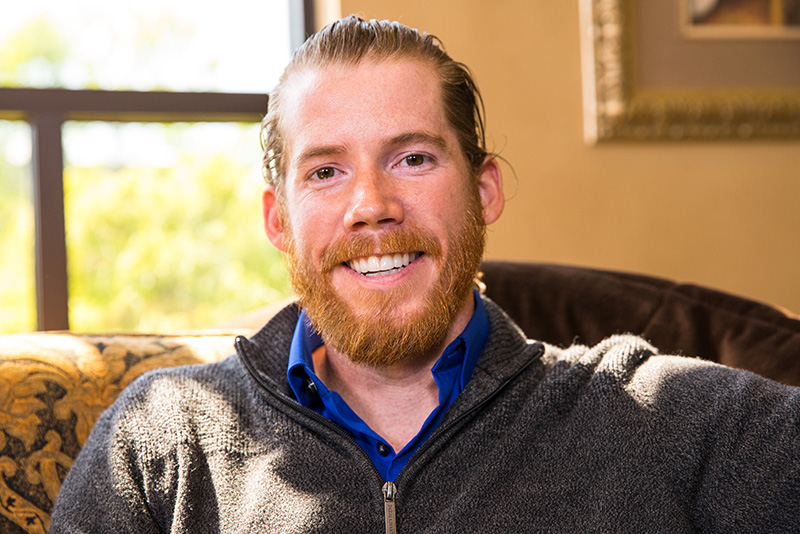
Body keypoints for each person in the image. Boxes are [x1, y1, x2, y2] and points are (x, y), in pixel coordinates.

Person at [50, 15, 799, 533]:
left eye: (413, 158)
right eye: (327, 171)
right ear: (278, 221)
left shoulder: (660, 420)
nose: (371, 205)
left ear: (484, 192)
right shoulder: (165, 442)